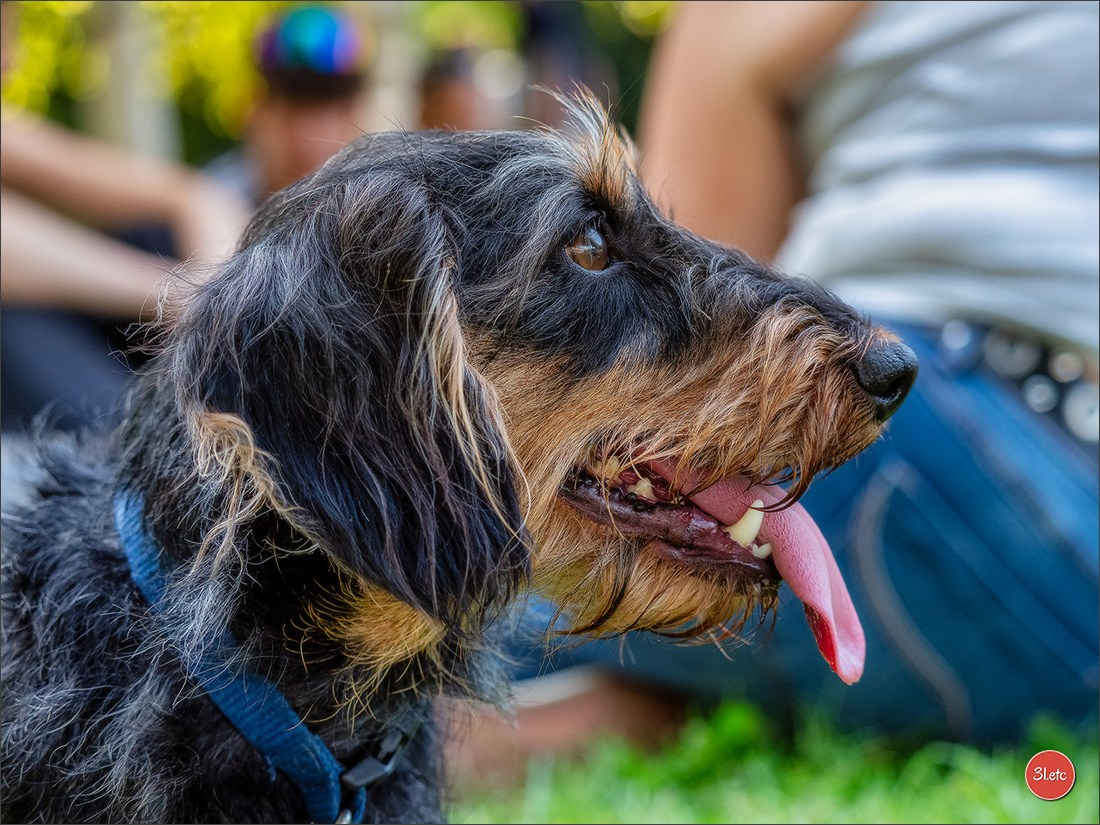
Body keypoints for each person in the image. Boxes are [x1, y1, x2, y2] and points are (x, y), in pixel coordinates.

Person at [447, 0, 1099, 784]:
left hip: (955, 435)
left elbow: (687, 314)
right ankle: (571, 721)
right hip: (1064, 578)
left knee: (422, 572)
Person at [205, 5, 371, 207]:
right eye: (291, 106)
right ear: (255, 108)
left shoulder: (372, 205)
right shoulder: (211, 202)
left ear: (353, 112)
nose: (306, 134)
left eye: (324, 108)